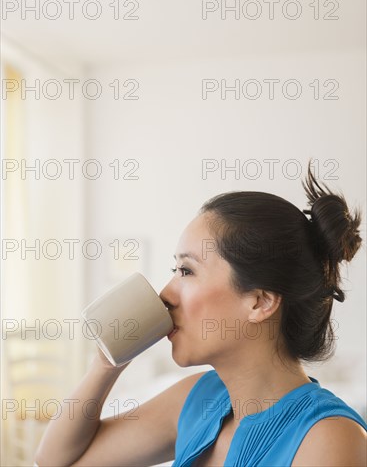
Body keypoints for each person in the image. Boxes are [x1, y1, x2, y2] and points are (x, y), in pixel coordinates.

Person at [35, 161, 367, 466]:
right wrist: (107, 362)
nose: (164, 294)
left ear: (259, 302)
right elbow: (55, 461)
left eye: (187, 271)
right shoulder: (198, 399)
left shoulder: (330, 439)